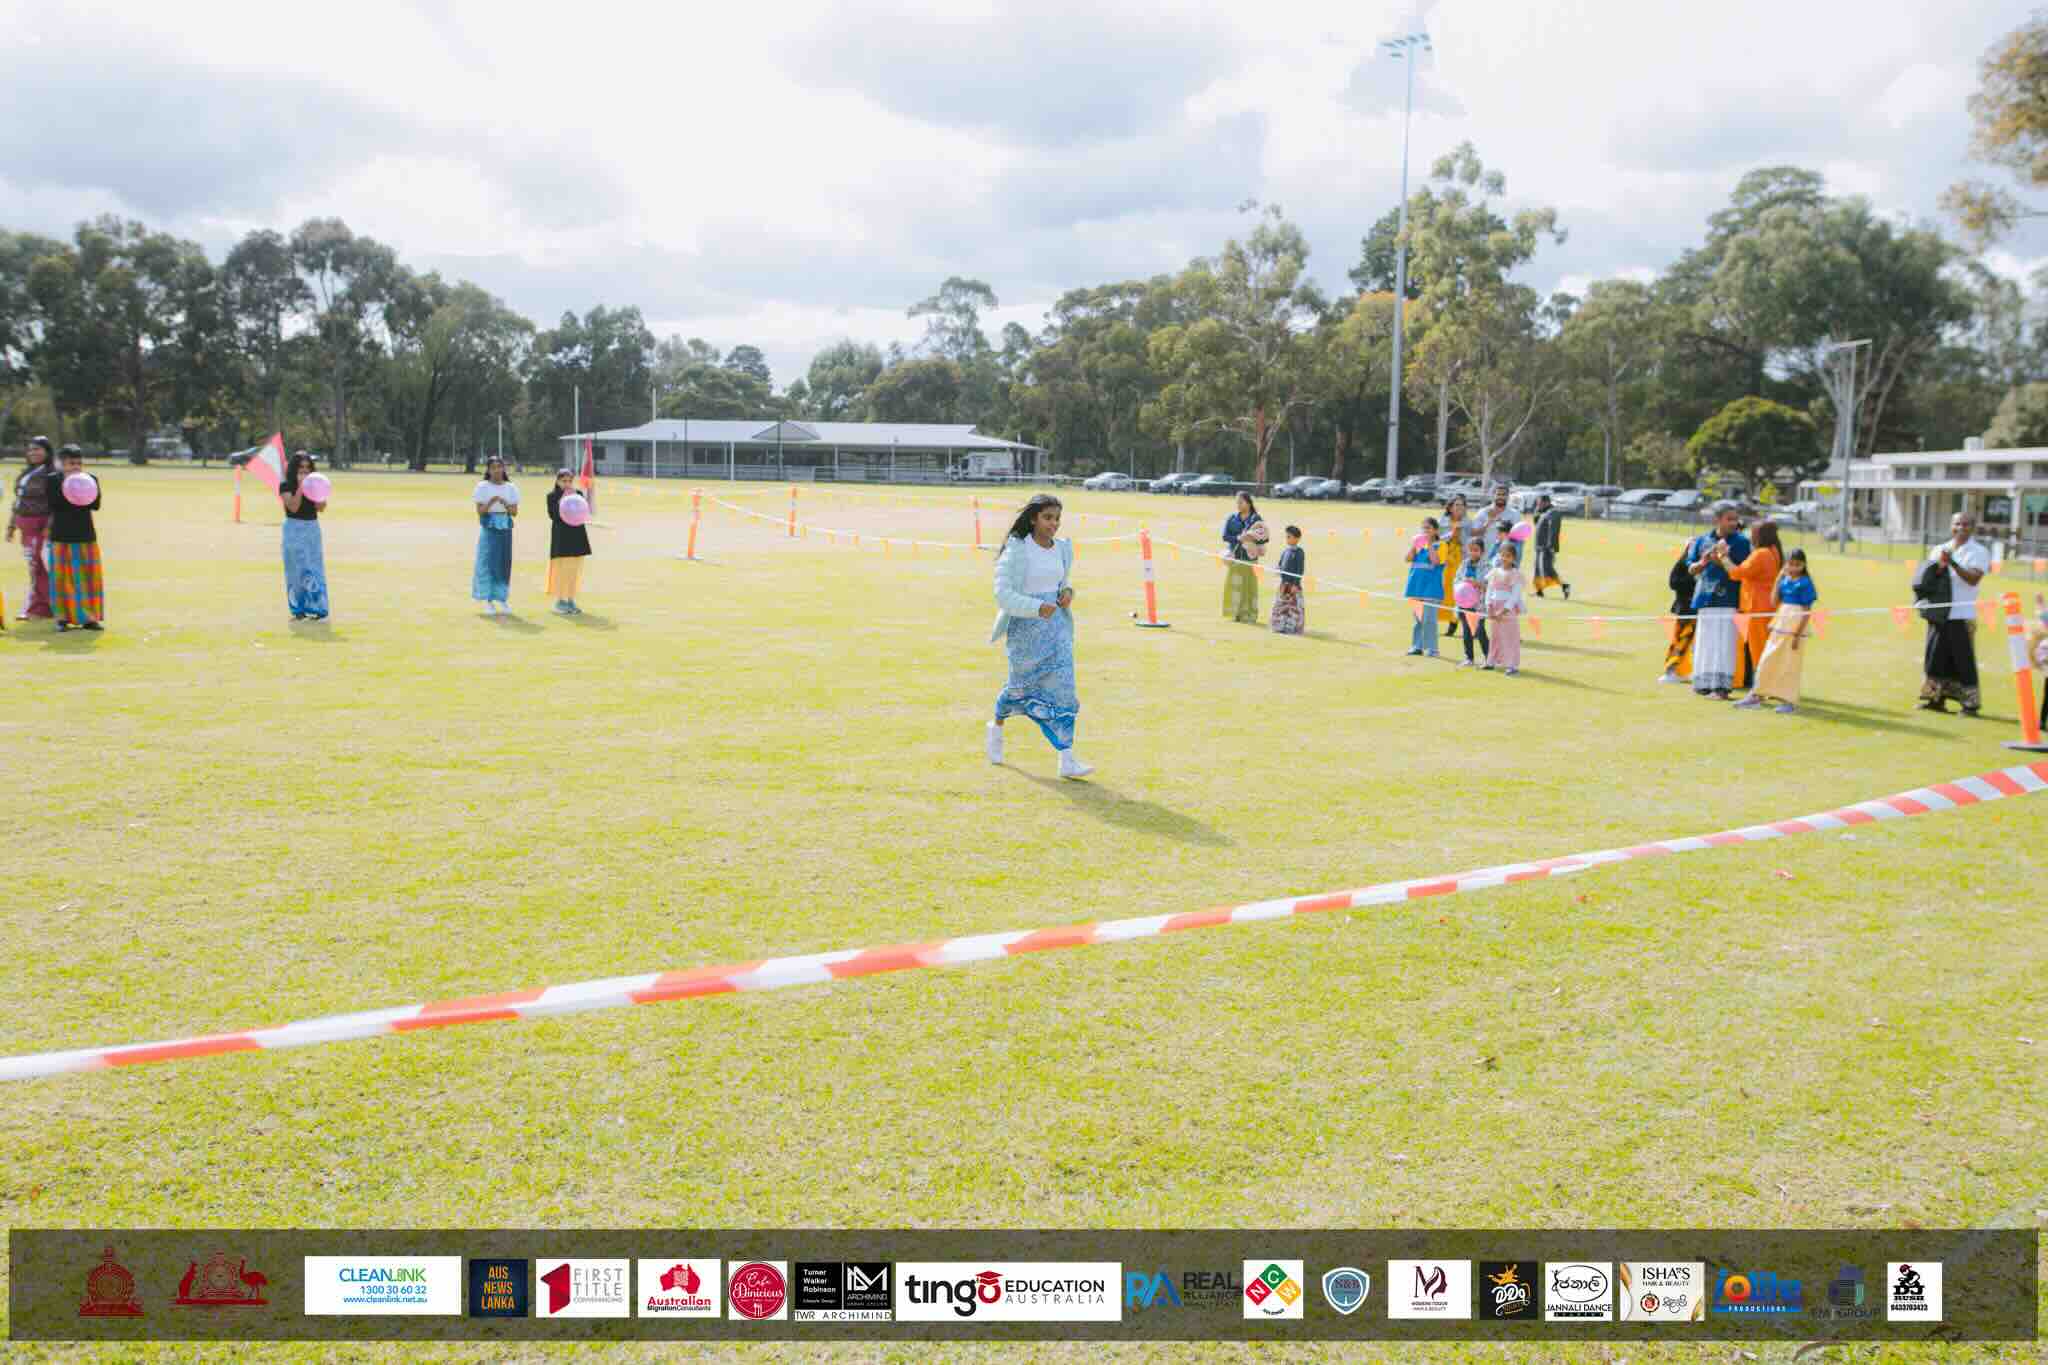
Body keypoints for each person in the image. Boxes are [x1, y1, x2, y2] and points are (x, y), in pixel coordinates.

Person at [988, 493, 1090, 778]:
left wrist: (1067, 593)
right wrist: (1035, 607)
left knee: (1065, 691)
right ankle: (996, 727)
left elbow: (1062, 583)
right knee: (1018, 690)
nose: (1054, 524)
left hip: (1057, 630)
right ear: (1033, 518)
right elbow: (1002, 594)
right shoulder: (1017, 550)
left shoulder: (1062, 549)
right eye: (1047, 517)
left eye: (1057, 518)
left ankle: (1067, 759)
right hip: (1025, 632)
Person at [1919, 511, 1990, 714]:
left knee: (1963, 661)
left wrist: (1953, 563)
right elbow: (1929, 579)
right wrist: (1940, 567)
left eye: (1966, 524)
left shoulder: (1978, 551)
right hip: (1938, 613)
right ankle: (1934, 699)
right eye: (1957, 523)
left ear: (1973, 527)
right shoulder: (1939, 549)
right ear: (1951, 525)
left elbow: (1973, 579)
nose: (1961, 527)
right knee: (1934, 658)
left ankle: (1970, 704)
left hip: (1961, 614)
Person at [1736, 548, 1817, 714]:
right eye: (1791, 564)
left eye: (1798, 565)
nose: (1794, 568)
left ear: (1804, 565)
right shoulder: (1785, 580)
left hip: (1795, 626)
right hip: (1780, 623)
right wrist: (1779, 578)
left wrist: (1797, 635)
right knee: (1767, 659)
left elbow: (1807, 611)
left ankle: (1789, 700)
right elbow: (1773, 601)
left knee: (1790, 663)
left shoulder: (1805, 583)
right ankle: (1757, 695)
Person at [1684, 501, 1751, 699]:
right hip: (1704, 596)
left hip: (1727, 597)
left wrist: (1722, 559)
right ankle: (1703, 683)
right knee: (1706, 642)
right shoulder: (1702, 540)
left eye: (1735, 519)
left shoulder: (1740, 542)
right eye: (1729, 519)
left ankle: (1721, 688)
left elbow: (1739, 570)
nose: (1733, 522)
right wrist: (1703, 562)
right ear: (1717, 520)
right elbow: (1691, 567)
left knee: (1724, 643)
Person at [46, 445, 103, 632]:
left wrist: (83, 487)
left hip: (85, 536)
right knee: (62, 579)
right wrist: (69, 485)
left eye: (79, 463)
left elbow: (95, 505)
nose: (76, 467)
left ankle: (89, 618)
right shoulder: (53, 480)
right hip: (61, 537)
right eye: (71, 463)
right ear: (62, 464)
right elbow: (55, 505)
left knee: (87, 579)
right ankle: (62, 619)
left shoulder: (91, 479)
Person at [1727, 518, 1783, 687]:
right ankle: (1767, 686)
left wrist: (1723, 556)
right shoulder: (1774, 550)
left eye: (1752, 533)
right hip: (1769, 607)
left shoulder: (1761, 554)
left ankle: (1760, 689)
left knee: (1758, 650)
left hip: (1757, 608)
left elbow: (1737, 573)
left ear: (1759, 535)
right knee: (1766, 649)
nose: (1749, 536)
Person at [6, 435, 54, 620]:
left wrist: (49, 526)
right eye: (31, 449)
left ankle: (40, 609)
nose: (33, 452)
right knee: (34, 567)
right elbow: (18, 501)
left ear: (47, 452)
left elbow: (55, 504)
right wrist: (11, 526)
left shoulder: (51, 474)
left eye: (37, 449)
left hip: (41, 526)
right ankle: (40, 607)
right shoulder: (26, 473)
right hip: (25, 527)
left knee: (39, 566)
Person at [278, 450, 330, 620]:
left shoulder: (314, 483)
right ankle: (298, 608)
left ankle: (318, 607)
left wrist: (320, 498)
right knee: (295, 569)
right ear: (294, 469)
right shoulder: (285, 485)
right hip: (293, 529)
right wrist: (301, 486)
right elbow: (293, 507)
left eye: (308, 468)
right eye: (301, 468)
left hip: (311, 529)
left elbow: (320, 508)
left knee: (314, 567)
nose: (305, 471)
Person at [471, 456, 520, 614]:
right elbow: (480, 511)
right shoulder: (482, 486)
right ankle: (488, 601)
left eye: (500, 467)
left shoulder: (511, 487)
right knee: (489, 561)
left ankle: (503, 598)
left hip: (505, 528)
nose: (497, 470)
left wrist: (505, 503)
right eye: (493, 467)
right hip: (490, 526)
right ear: (488, 469)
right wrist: (491, 502)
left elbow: (514, 512)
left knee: (503, 562)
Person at [545, 469, 591, 615]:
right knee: (561, 570)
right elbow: (553, 515)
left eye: (570, 481)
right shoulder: (552, 496)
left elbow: (584, 512)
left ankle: (571, 600)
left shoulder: (578, 495)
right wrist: (562, 499)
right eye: (564, 481)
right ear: (557, 481)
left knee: (574, 570)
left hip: (577, 536)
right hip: (561, 537)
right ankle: (560, 601)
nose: (567, 484)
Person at [1222, 492, 1266, 623]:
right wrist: (1238, 538)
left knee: (1248, 587)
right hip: (1234, 558)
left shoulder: (1256, 518)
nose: (1238, 505)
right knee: (1235, 586)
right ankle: (1235, 613)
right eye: (1237, 502)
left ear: (1248, 503)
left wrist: (1251, 538)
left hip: (1249, 558)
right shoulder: (1232, 518)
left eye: (1241, 502)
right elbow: (1225, 536)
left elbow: (1263, 537)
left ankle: (1249, 614)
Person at [1403, 516, 1445, 657]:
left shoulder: (1442, 545)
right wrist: (1414, 546)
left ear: (1435, 530)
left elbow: (1436, 562)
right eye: (1423, 528)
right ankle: (1417, 646)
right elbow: (1407, 559)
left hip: (1431, 588)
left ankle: (1433, 649)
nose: (1425, 531)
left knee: (1430, 620)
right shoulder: (1418, 545)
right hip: (1416, 587)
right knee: (1418, 619)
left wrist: (1429, 545)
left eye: (1428, 528)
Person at [1485, 542, 1526, 676]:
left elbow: (1514, 596)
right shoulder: (1495, 572)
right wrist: (1489, 606)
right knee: (1495, 636)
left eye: (1508, 556)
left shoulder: (1516, 574)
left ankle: (1512, 665)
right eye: (1502, 555)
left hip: (1507, 610)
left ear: (1513, 558)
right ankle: (1491, 661)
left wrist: (1503, 611)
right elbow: (1489, 590)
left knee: (1510, 637)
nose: (1504, 558)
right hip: (1494, 607)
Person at [1656, 547, 1695, 685]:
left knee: (1689, 643)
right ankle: (1672, 671)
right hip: (1685, 608)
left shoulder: (1704, 564)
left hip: (1698, 609)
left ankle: (1683, 671)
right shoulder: (1683, 563)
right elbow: (1673, 583)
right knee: (1680, 641)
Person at [1453, 534, 1490, 668]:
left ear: (1482, 551)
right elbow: (1456, 580)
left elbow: (1488, 585)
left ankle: (1489, 658)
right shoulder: (1464, 564)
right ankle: (1469, 658)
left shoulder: (1487, 566)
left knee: (1480, 631)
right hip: (1463, 603)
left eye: (1476, 550)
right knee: (1466, 630)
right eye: (1471, 549)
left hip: (1478, 605)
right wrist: (1462, 584)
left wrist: (1476, 584)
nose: (1473, 552)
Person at [1530, 494, 1571, 599]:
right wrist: (1537, 510)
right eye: (1537, 503)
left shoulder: (1553, 512)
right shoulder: (1543, 512)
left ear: (1546, 502)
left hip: (1546, 547)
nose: (1538, 505)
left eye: (1540, 503)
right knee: (1537, 569)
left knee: (1546, 569)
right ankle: (1539, 591)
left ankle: (1564, 585)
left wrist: (1551, 546)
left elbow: (1554, 529)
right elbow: (1535, 521)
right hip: (1539, 546)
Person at [1440, 494, 1469, 634]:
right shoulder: (1443, 521)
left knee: (1461, 591)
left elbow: (1471, 541)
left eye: (1462, 505)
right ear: (1450, 507)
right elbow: (1438, 539)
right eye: (1456, 505)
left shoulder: (1468, 523)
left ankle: (1466, 625)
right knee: (1447, 591)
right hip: (1446, 560)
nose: (1459, 508)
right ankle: (1452, 621)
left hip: (1462, 560)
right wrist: (1452, 533)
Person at [1271, 525, 1305, 635]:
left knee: (1294, 607)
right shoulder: (1285, 551)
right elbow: (1281, 564)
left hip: (1293, 585)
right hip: (1283, 585)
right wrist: (1278, 569)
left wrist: (1295, 584)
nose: (1287, 539)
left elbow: (1300, 570)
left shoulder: (1299, 552)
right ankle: (1279, 626)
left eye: (1289, 536)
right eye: (1286, 536)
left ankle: (1294, 627)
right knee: (1281, 605)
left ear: (1297, 538)